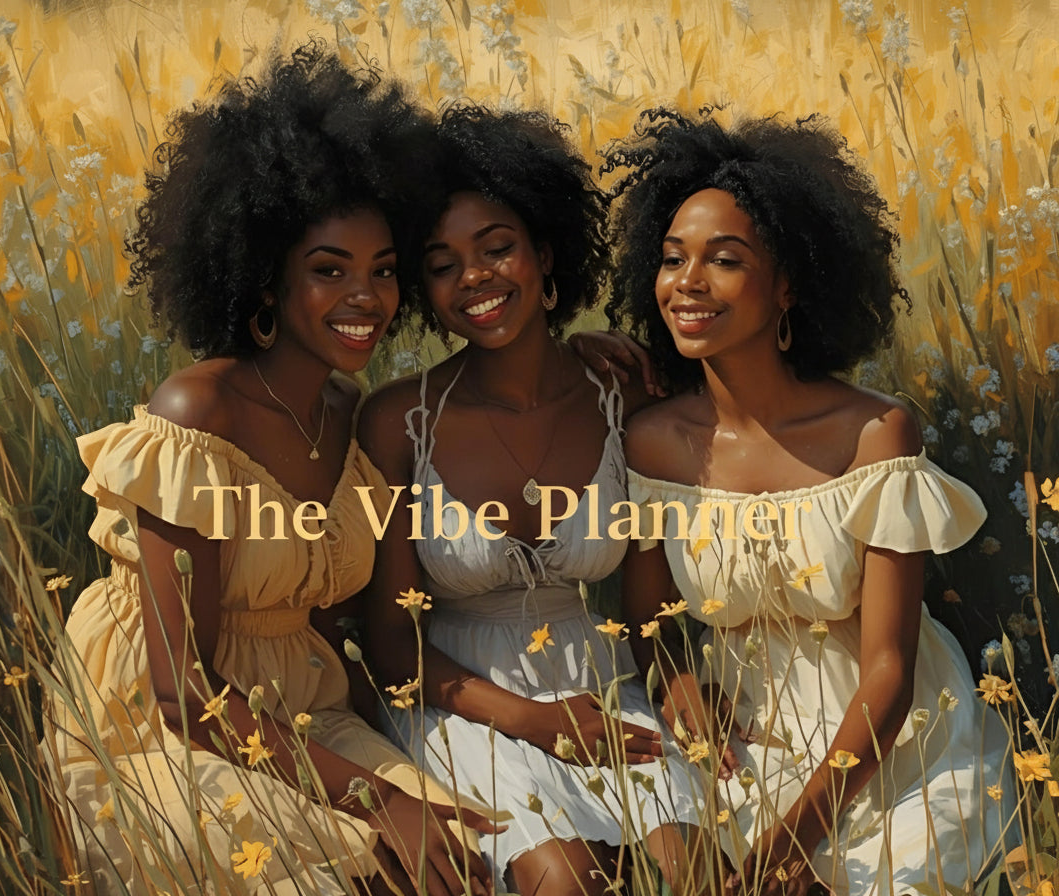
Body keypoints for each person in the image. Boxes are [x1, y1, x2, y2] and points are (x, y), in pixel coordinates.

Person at [43, 44, 495, 896]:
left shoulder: (342, 414)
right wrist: (372, 797)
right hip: (162, 732)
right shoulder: (195, 416)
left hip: (299, 714)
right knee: (361, 872)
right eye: (330, 271)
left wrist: (398, 766)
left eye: (383, 270)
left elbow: (322, 626)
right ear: (266, 280)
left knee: (454, 863)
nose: (366, 296)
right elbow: (181, 693)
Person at [606, 109, 1016, 896]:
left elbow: (890, 668)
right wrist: (677, 685)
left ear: (790, 283)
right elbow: (649, 626)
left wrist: (790, 842)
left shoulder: (872, 433)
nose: (687, 283)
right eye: (671, 259)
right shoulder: (652, 443)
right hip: (737, 738)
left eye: (724, 260)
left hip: (886, 744)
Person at [359, 104, 704, 896]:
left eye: (497, 248)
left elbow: (653, 611)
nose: (473, 278)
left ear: (546, 255)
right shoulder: (398, 422)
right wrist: (529, 721)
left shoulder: (623, 398)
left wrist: (680, 685)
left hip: (603, 685)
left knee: (691, 871)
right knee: (564, 878)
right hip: (461, 705)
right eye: (442, 264)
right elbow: (385, 640)